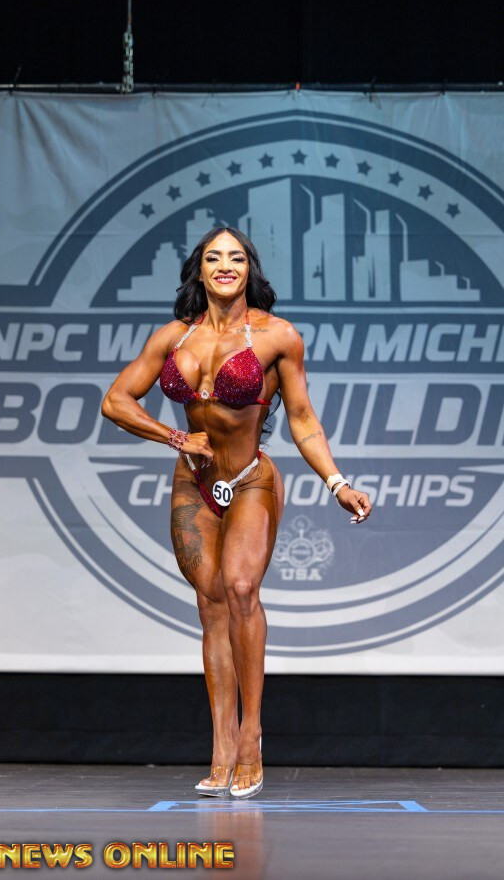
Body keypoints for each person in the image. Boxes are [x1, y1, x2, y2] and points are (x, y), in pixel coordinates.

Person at [101, 226, 372, 799]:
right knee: (211, 606)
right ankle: (221, 744)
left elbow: (302, 419)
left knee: (241, 587)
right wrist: (176, 437)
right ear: (199, 270)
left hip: (250, 480)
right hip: (194, 481)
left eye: (236, 257)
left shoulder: (277, 336)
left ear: (250, 269)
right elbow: (115, 401)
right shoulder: (174, 337)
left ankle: (251, 736)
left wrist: (337, 482)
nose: (225, 265)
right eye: (213, 257)